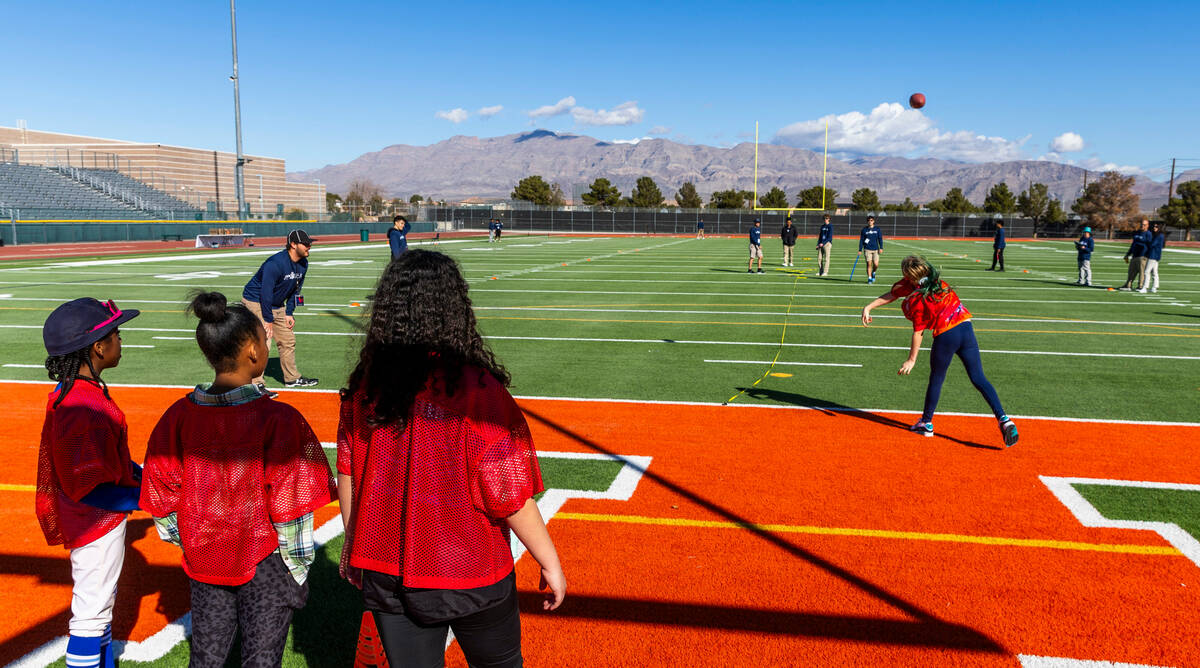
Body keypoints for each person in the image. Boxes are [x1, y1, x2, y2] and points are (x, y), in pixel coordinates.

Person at [336, 250, 565, 668]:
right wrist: (549, 560)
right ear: (455, 308)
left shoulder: (365, 386)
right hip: (470, 568)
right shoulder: (478, 391)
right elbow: (508, 493)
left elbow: (348, 471)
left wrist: (354, 545)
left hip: (387, 566)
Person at [140, 292, 335, 668]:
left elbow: (161, 492)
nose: (269, 343)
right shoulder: (277, 419)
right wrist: (297, 567)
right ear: (251, 350)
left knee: (207, 659)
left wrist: (192, 540)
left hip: (205, 554)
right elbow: (291, 503)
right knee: (261, 660)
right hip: (267, 561)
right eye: (265, 339)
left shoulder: (177, 416)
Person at [37, 297, 142, 668]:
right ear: (98, 346)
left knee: (100, 608)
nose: (120, 341)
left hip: (95, 518)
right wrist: (143, 495)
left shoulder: (81, 392)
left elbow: (104, 459)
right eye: (116, 335)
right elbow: (89, 484)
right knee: (90, 613)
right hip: (94, 520)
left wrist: (139, 475)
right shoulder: (82, 405)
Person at [860, 255, 1018, 447]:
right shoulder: (936, 282)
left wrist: (911, 360)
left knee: (937, 378)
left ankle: (926, 423)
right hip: (966, 328)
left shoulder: (919, 298)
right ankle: (1004, 419)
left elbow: (918, 332)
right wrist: (869, 307)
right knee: (978, 378)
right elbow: (893, 294)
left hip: (946, 335)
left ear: (910, 276)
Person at [242, 229, 318, 388]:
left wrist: (289, 312)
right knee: (264, 341)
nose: (309, 246)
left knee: (288, 340)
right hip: (256, 301)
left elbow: (297, 290)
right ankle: (256, 384)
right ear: (293, 244)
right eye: (306, 244)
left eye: (309, 243)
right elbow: (265, 293)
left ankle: (292, 378)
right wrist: (268, 320)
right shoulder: (274, 264)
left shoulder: (304, 264)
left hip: (276, 304)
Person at [1119, 218, 1151, 291]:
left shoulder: (1148, 234)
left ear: (1147, 226)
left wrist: (1147, 254)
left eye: (1144, 225)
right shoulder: (1137, 233)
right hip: (1134, 255)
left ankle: (1140, 286)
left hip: (1142, 255)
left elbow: (1149, 245)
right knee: (1131, 271)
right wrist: (1128, 254)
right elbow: (1133, 244)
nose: (1142, 226)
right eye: (1141, 224)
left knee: (1141, 272)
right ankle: (1128, 285)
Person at [1141, 221, 1165, 293]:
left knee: (1146, 272)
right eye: (1154, 226)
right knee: (1154, 272)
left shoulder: (1159, 235)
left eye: (1156, 227)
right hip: (1155, 255)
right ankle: (1155, 287)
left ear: (1159, 228)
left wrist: (1146, 242)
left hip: (1153, 255)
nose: (1154, 228)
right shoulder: (1158, 235)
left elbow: (1152, 244)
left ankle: (1145, 287)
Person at [858, 216, 883, 284]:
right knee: (869, 264)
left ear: (873, 221)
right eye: (869, 220)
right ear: (867, 221)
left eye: (871, 220)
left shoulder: (877, 229)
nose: (870, 221)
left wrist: (881, 247)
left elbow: (880, 239)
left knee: (876, 264)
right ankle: (869, 278)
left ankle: (873, 272)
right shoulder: (864, 230)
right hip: (867, 249)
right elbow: (861, 240)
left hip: (875, 249)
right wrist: (860, 249)